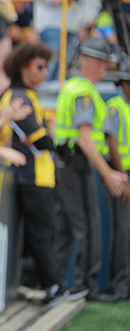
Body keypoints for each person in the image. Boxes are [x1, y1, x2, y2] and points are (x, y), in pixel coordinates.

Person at [1, 42, 78, 304]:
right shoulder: (18, 96)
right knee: (42, 233)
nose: (46, 72)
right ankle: (52, 286)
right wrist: (49, 140)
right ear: (24, 69)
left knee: (42, 232)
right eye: (41, 67)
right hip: (30, 176)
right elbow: (41, 140)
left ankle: (46, 283)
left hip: (37, 175)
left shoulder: (26, 94)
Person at [54, 37, 128, 299]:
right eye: (106, 63)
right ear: (96, 62)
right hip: (75, 162)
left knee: (67, 225)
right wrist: (107, 174)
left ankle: (58, 282)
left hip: (67, 161)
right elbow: (85, 138)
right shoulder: (83, 92)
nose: (108, 69)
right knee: (87, 224)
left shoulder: (76, 87)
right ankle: (85, 284)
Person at [96, 61, 130, 302]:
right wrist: (124, 177)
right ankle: (120, 285)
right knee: (123, 231)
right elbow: (112, 143)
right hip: (122, 173)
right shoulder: (116, 107)